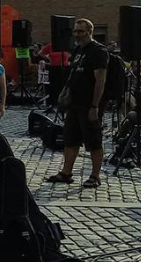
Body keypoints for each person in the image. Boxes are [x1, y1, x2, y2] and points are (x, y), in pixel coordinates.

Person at [45, 18, 108, 189]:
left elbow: (100, 81)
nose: (77, 34)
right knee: (70, 139)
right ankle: (66, 173)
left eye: (80, 31)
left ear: (89, 32)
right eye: (75, 31)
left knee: (93, 141)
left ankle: (95, 176)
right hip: (74, 103)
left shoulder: (98, 51)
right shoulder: (78, 50)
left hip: (89, 104)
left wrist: (95, 106)